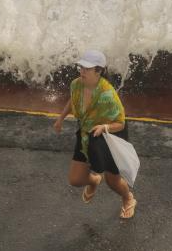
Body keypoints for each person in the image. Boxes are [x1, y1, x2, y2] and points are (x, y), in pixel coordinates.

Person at [52, 49, 137, 220]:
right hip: (87, 132)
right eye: (81, 67)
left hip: (110, 135)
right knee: (75, 180)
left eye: (87, 69)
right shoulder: (76, 84)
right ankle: (94, 180)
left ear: (98, 71)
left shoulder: (108, 94)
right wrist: (61, 118)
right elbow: (73, 99)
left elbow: (120, 123)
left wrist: (104, 127)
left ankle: (128, 198)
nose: (82, 71)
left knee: (113, 181)